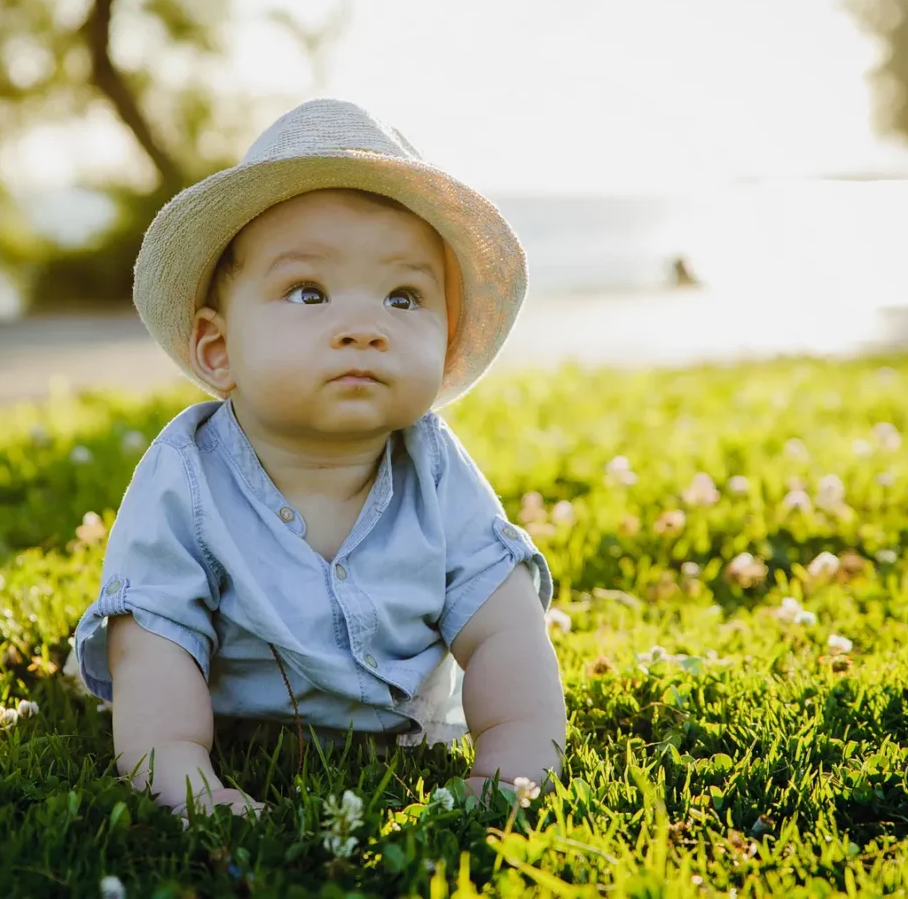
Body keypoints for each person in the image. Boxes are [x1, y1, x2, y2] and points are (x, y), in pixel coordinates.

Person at [71, 98, 566, 820]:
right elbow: (154, 641)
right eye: (309, 292)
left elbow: (504, 630)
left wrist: (513, 764)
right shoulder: (186, 478)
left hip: (403, 740)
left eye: (403, 297)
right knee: (149, 642)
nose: (363, 327)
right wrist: (180, 771)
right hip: (234, 733)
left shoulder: (435, 471)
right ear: (219, 350)